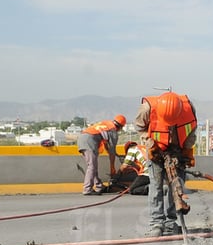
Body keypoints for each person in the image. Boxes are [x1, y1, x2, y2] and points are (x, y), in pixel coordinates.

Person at [134, 91, 197, 236]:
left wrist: (188, 150)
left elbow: (191, 130)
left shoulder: (188, 109)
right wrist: (150, 144)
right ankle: (156, 222)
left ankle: (170, 222)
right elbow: (139, 127)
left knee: (176, 185)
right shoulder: (147, 109)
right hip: (156, 150)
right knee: (156, 186)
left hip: (178, 150)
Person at [77, 114, 126, 195]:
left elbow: (107, 145)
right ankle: (87, 189)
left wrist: (114, 153)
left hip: (82, 138)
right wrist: (112, 167)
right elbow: (112, 151)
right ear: (121, 127)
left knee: (92, 166)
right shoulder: (113, 130)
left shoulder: (106, 124)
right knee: (92, 166)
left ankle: (99, 186)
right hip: (90, 141)